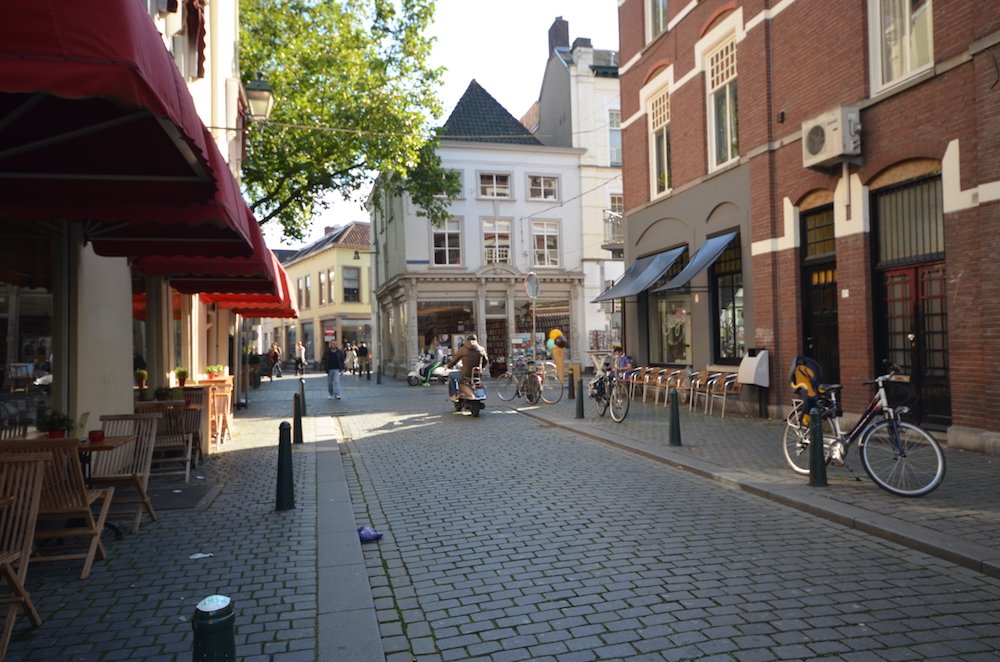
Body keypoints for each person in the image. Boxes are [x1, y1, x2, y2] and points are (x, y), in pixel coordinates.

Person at [445, 334, 489, 402]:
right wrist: (481, 368)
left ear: (467, 340)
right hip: (477, 374)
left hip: (465, 374)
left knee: (451, 375)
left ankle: (454, 395)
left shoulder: (463, 349)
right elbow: (486, 360)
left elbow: (454, 360)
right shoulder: (481, 349)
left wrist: (448, 366)